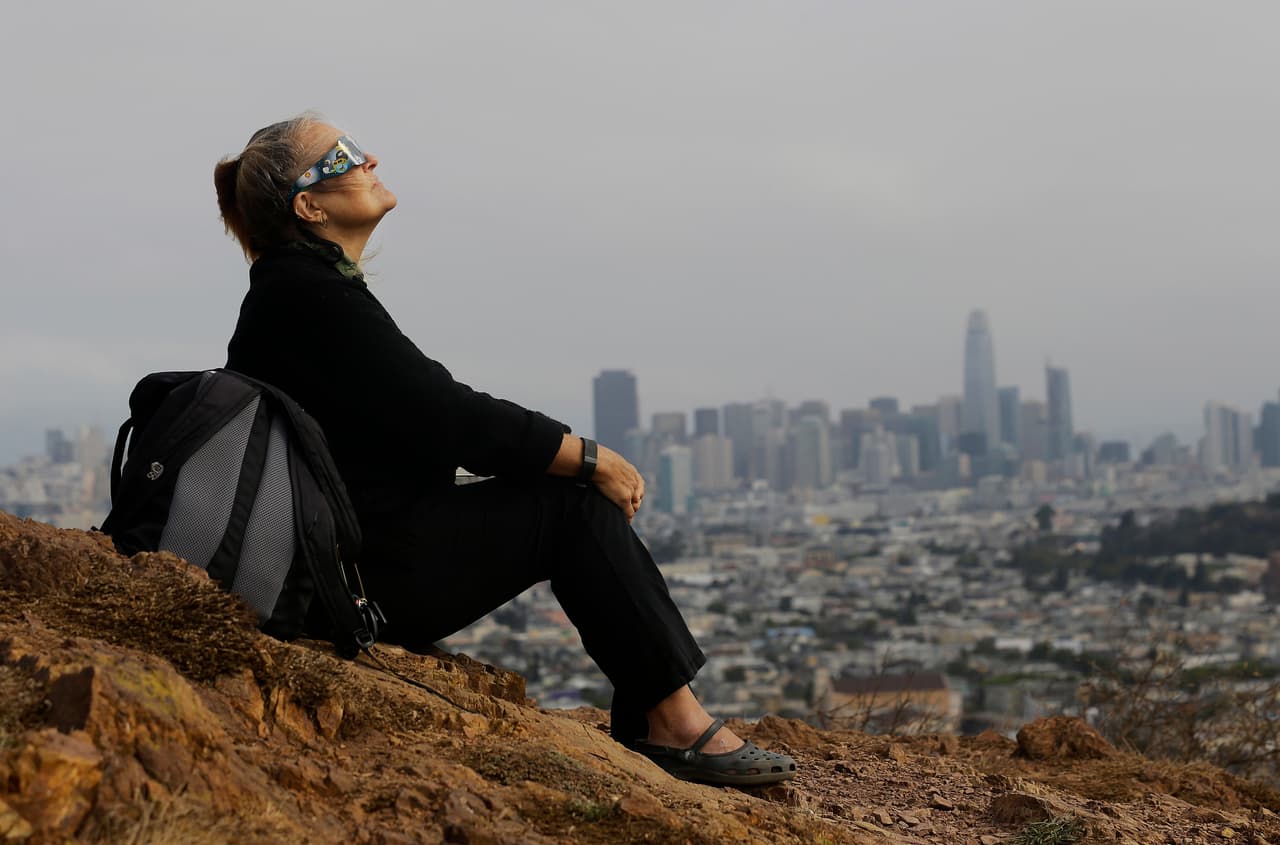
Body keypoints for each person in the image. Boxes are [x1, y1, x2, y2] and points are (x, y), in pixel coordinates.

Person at [213, 113, 795, 786]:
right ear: (309, 205)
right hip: (362, 576)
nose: (368, 158)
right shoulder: (307, 294)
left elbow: (417, 416)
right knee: (571, 509)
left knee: (563, 502)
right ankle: (669, 722)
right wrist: (587, 455)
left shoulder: (300, 289)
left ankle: (655, 711)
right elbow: (445, 414)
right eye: (342, 155)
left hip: (355, 560)